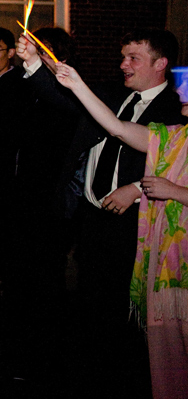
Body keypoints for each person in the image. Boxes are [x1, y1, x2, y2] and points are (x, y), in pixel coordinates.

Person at [21, 29, 185, 397]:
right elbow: (65, 101)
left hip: (136, 226)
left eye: (133, 58)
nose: (123, 64)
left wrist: (138, 189)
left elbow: (176, 170)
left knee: (127, 315)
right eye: (123, 56)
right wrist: (33, 63)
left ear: (161, 64)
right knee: (90, 307)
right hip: (93, 218)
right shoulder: (112, 96)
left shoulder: (175, 112)